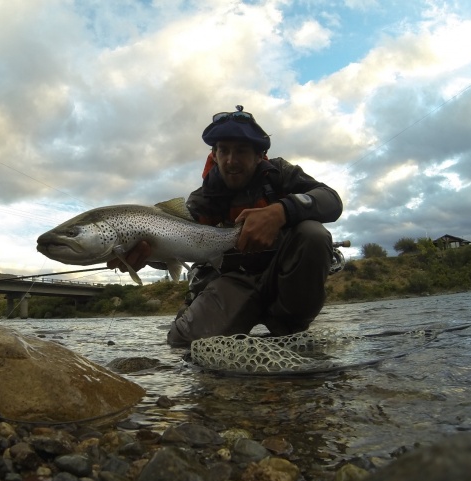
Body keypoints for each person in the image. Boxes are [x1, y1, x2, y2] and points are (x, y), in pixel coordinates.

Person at [108, 106, 343, 347]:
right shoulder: (203, 199)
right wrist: (144, 255)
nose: (231, 160)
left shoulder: (280, 174)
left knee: (314, 234)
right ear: (214, 155)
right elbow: (176, 249)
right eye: (224, 151)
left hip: (283, 277)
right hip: (234, 280)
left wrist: (280, 211)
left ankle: (289, 328)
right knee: (184, 343)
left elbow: (331, 200)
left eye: (241, 151)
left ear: (259, 155)